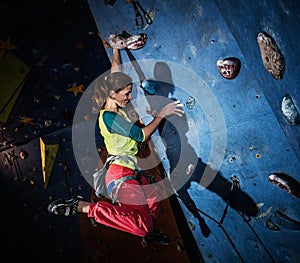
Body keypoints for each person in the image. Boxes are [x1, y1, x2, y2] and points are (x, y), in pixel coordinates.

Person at [47, 47, 184, 240]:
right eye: (127, 94)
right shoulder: (109, 118)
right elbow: (142, 135)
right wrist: (162, 114)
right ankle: (83, 207)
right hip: (120, 176)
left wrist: (116, 50)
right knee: (142, 226)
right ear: (113, 93)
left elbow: (115, 74)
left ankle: (150, 231)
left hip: (128, 173)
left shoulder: (118, 109)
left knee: (156, 196)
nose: (129, 97)